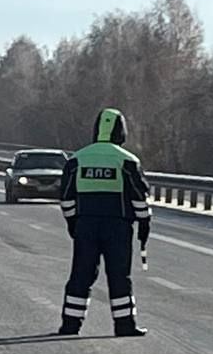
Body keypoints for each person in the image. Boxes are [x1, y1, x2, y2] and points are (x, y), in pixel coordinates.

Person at [57, 107, 151, 337]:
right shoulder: (126, 160)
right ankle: (124, 325)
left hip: (86, 225)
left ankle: (70, 325)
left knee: (81, 274)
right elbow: (139, 197)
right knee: (119, 276)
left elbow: (66, 197)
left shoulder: (77, 159)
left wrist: (73, 223)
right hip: (118, 227)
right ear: (121, 132)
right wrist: (144, 225)